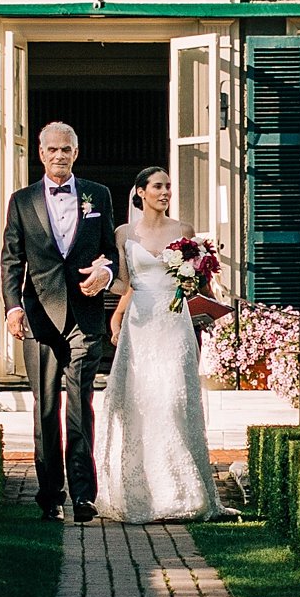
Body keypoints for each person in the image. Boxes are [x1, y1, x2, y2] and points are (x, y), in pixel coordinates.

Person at [2, 121, 117, 520]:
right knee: (46, 409)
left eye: (66, 149)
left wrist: (106, 274)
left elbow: (110, 252)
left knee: (80, 407)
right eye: (52, 149)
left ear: (75, 153)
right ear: (41, 153)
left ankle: (84, 496)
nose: (59, 155)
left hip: (85, 318)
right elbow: (12, 260)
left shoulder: (97, 195)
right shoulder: (21, 201)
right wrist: (12, 307)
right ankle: (50, 495)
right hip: (39, 319)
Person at [97, 164, 222, 524]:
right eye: (157, 186)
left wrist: (195, 282)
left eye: (168, 186)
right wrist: (104, 294)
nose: (165, 192)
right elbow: (125, 282)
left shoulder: (184, 232)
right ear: (140, 192)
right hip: (140, 324)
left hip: (174, 325)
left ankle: (181, 490)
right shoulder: (123, 233)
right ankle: (139, 491)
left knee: (172, 400)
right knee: (138, 403)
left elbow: (199, 284)